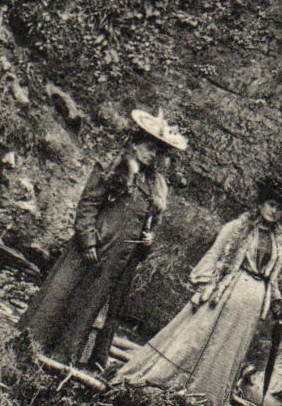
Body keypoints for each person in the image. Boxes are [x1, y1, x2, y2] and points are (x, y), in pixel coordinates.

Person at [18, 108, 185, 369]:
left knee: (89, 309)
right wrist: (88, 240)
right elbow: (88, 204)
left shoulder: (155, 186)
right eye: (149, 147)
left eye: (158, 151)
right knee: (61, 296)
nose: (152, 155)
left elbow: (148, 225)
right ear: (137, 143)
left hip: (116, 263)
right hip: (92, 249)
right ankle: (30, 348)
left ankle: (63, 360)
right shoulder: (115, 166)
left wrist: (147, 243)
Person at [113, 186, 282, 406]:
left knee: (230, 350)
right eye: (272, 205)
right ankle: (173, 383)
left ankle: (208, 399)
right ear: (261, 203)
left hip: (253, 304)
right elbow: (214, 254)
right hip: (228, 293)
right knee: (201, 337)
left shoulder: (279, 240)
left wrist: (277, 302)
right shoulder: (238, 228)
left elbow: (273, 277)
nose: (274, 212)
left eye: (280, 209)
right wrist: (207, 285)